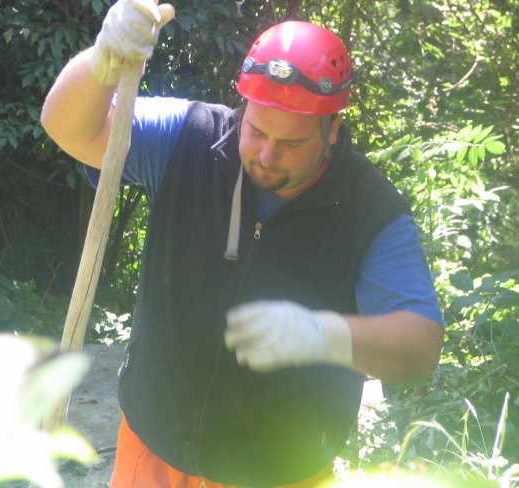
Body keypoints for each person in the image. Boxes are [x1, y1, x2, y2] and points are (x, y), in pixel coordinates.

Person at [40, 1, 445, 487]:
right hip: (151, 451)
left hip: (278, 473)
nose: (266, 156)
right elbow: (70, 128)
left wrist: (326, 335)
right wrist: (101, 62)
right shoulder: (188, 140)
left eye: (292, 144)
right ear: (244, 106)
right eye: (256, 131)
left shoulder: (369, 208)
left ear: (332, 129)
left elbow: (420, 344)